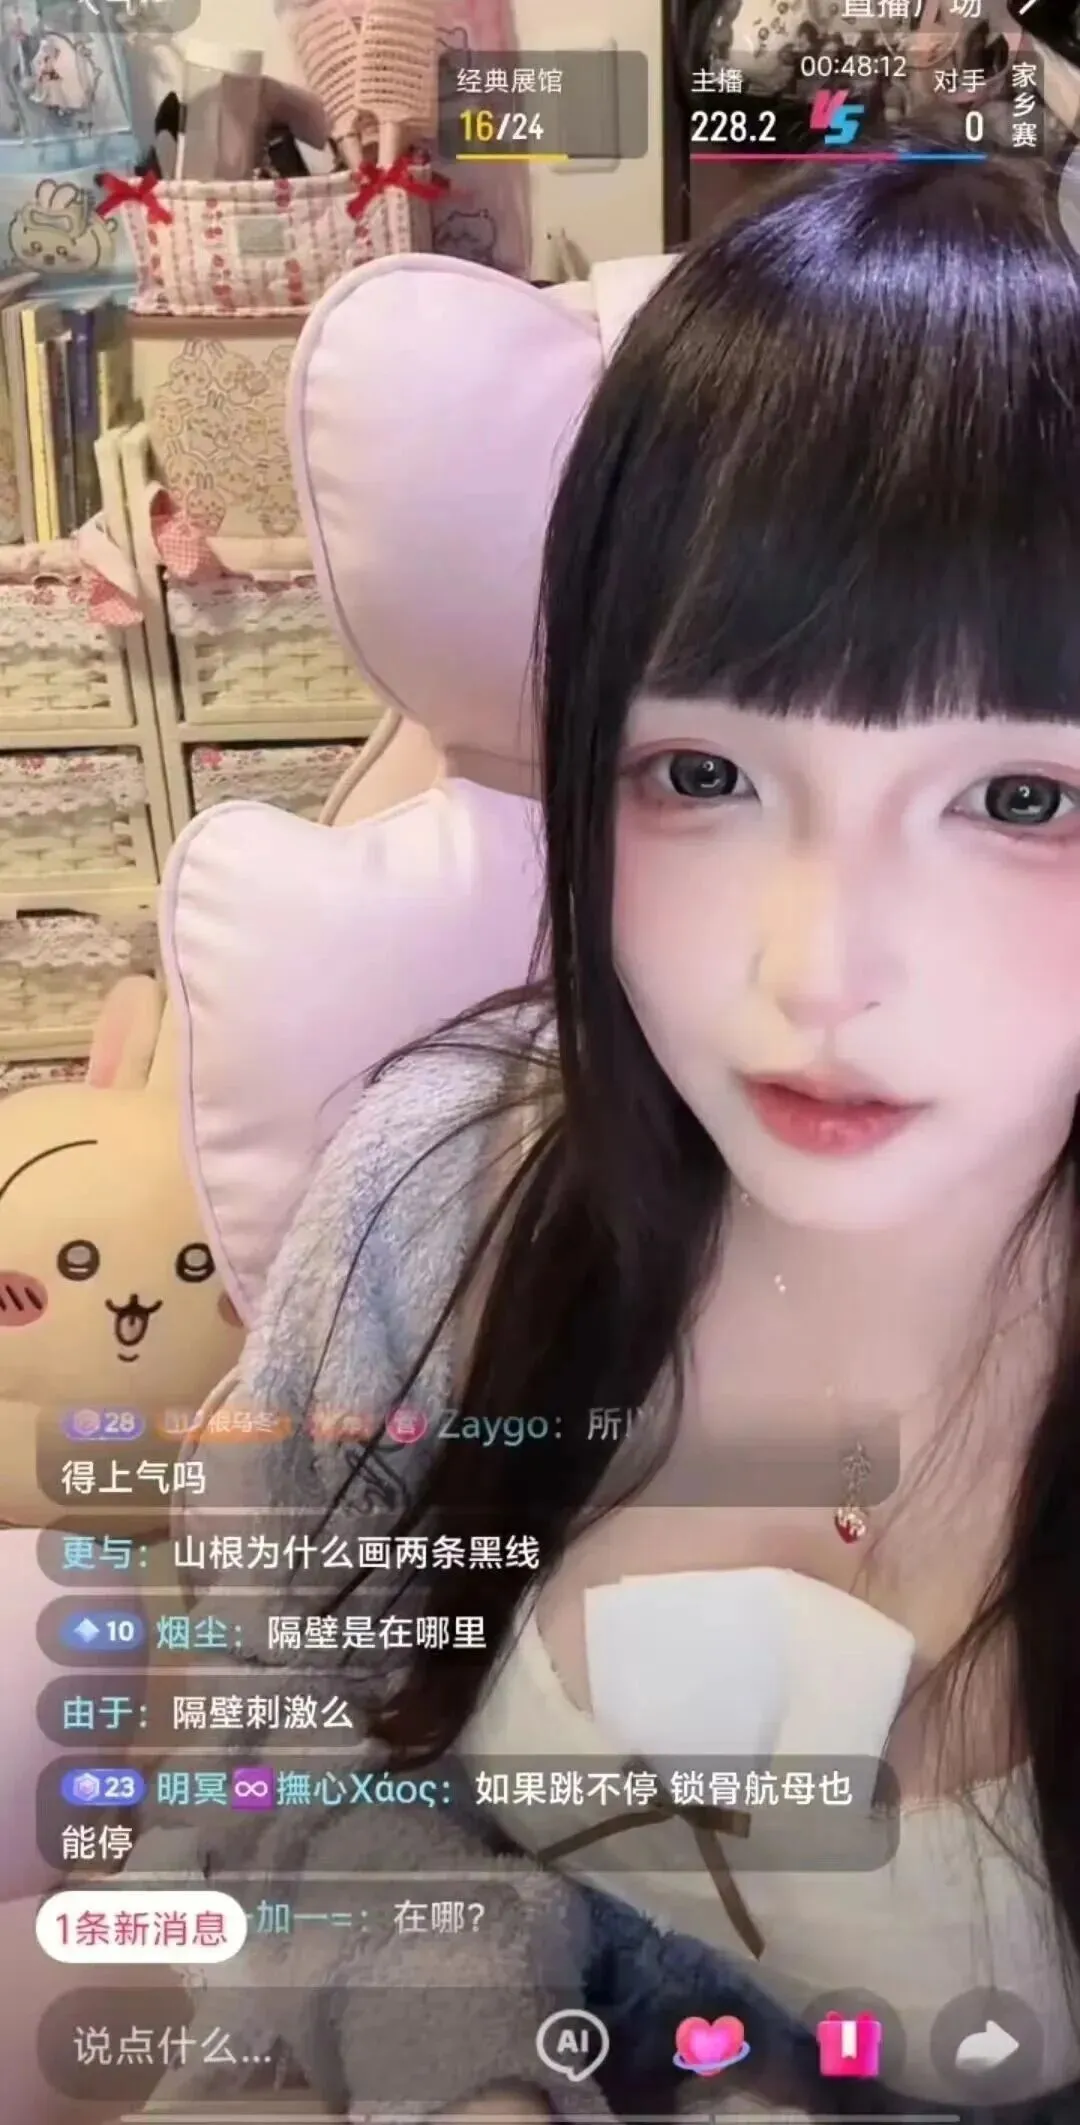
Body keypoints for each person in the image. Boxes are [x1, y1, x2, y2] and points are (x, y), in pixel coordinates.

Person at [127, 144, 1080, 2118]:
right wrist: (463, 2053)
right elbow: (258, 1742)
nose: (820, 971)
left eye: (1017, 802)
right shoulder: (446, 1191)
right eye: (706, 774)